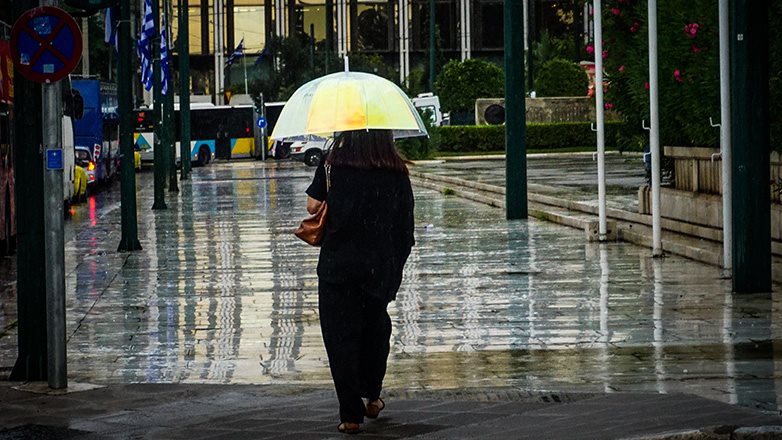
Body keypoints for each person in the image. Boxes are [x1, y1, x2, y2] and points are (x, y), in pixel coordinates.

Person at [304, 129, 415, 434]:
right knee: (375, 333)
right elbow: (405, 227)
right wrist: (395, 266)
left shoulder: (331, 164)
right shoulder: (395, 170)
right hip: (379, 268)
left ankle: (350, 414)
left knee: (340, 339)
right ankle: (373, 395)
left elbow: (312, 207)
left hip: (337, 268)